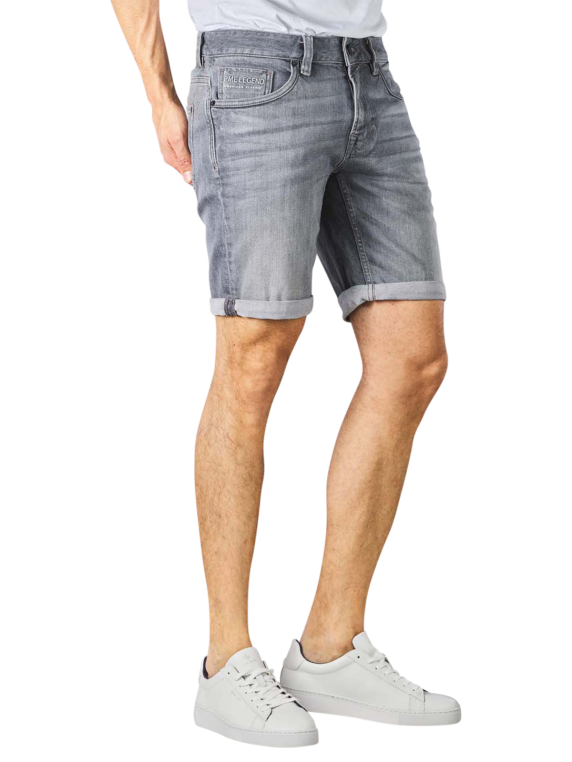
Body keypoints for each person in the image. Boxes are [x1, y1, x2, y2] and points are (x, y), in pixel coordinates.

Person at [110, 0, 461, 745]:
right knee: (254, 357)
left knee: (413, 359)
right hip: (253, 70)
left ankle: (331, 646)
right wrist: (160, 95)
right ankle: (225, 662)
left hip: (369, 69)